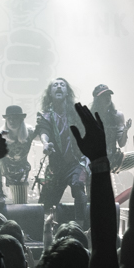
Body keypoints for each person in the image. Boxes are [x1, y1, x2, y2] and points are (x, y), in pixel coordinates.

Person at [36, 78, 87, 230]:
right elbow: (43, 131)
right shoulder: (45, 115)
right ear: (50, 93)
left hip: (76, 162)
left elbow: (86, 132)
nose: (58, 87)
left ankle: (80, 226)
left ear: (67, 92)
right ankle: (48, 230)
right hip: (56, 166)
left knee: (78, 185)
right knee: (47, 201)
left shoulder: (76, 113)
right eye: (55, 85)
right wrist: (45, 143)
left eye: (62, 85)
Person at [89, 85, 134, 173]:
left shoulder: (117, 116)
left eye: (108, 95)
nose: (107, 98)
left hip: (114, 160)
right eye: (104, 95)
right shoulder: (90, 116)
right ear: (97, 99)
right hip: (95, 161)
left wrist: (125, 130)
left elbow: (121, 144)